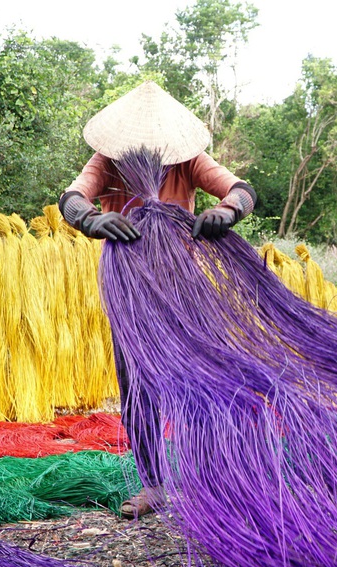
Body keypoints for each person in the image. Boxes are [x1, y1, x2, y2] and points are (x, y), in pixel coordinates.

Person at [58, 81, 256, 518]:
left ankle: (213, 475)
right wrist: (91, 219)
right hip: (129, 285)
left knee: (201, 377)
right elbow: (72, 196)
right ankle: (154, 484)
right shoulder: (108, 161)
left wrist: (227, 211)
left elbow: (241, 189)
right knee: (136, 384)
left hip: (182, 284)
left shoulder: (189, 160)